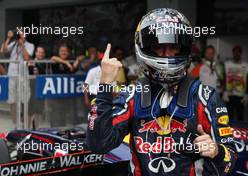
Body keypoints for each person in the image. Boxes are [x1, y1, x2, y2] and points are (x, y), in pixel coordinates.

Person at [87, 8, 237, 175]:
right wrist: (105, 85)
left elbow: (230, 160)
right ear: (145, 47)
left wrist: (217, 151)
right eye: (158, 46)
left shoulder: (205, 97)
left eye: (174, 47)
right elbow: (99, 144)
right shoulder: (132, 95)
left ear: (184, 48)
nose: (167, 55)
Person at [1, 30, 35, 128]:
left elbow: (27, 57)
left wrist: (22, 46)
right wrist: (8, 38)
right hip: (12, 73)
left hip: (23, 74)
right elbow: (4, 50)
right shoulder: (14, 43)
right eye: (19, 35)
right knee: (12, 99)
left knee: (24, 98)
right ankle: (15, 123)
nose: (20, 36)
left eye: (22, 34)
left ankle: (24, 122)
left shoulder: (30, 45)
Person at [223, 45, 248, 121]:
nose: (236, 54)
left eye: (238, 52)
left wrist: (247, 93)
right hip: (229, 94)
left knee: (240, 116)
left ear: (240, 53)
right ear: (233, 53)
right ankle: (228, 131)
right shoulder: (227, 64)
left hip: (241, 95)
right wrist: (224, 91)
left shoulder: (246, 65)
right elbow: (224, 77)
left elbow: (247, 79)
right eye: (235, 52)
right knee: (229, 115)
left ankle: (240, 132)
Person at [27, 46, 47, 128]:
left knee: (39, 111)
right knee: (31, 111)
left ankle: (37, 128)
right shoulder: (31, 62)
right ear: (36, 53)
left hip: (42, 90)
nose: (40, 54)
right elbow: (31, 71)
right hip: (32, 90)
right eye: (39, 52)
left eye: (42, 52)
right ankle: (28, 128)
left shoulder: (46, 63)